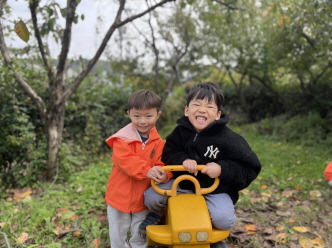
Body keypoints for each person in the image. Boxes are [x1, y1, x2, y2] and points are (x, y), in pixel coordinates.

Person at [139, 82, 262, 248]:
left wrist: (222, 169)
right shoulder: (179, 133)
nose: (202, 110)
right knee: (152, 197)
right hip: (180, 185)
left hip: (214, 189)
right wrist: (183, 160)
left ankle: (213, 237)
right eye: (196, 104)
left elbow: (250, 166)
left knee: (224, 220)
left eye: (209, 107)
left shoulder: (229, 139)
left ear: (218, 114)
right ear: (186, 110)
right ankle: (160, 216)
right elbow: (168, 153)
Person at [105, 89, 173, 248]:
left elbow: (164, 164)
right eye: (137, 116)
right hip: (119, 196)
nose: (142, 121)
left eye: (148, 116)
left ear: (158, 115)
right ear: (129, 114)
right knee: (118, 232)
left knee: (139, 234)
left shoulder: (159, 143)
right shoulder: (122, 139)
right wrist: (146, 170)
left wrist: (165, 175)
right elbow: (124, 160)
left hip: (142, 198)